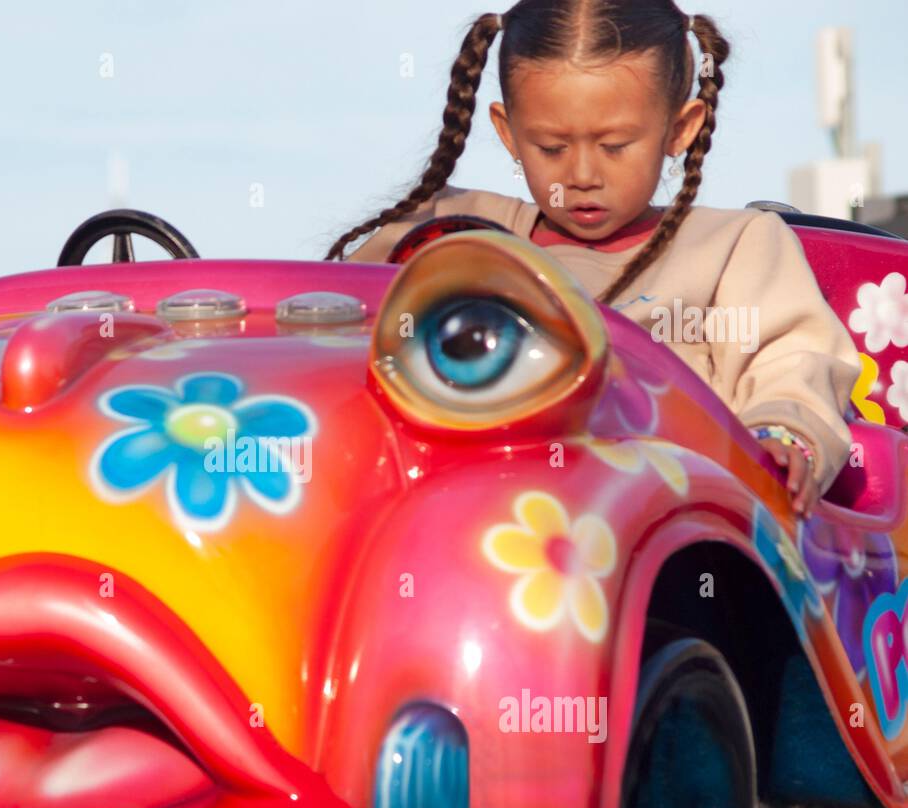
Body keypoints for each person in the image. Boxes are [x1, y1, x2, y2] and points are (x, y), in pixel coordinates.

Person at [331, 1, 861, 517]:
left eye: (615, 146)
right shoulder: (449, 231)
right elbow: (330, 326)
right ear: (509, 133)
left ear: (680, 128)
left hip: (665, 526)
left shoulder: (735, 246)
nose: (582, 175)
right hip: (465, 511)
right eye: (551, 147)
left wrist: (780, 438)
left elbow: (794, 366)